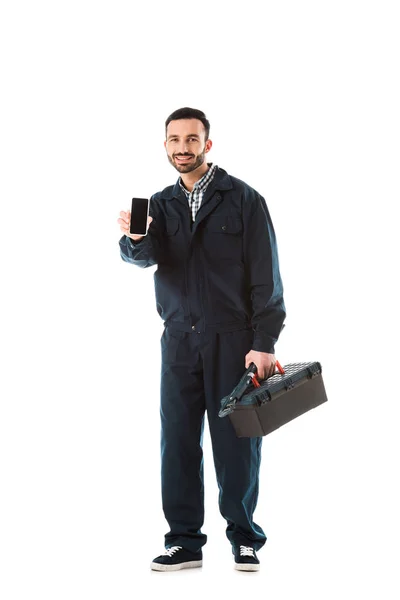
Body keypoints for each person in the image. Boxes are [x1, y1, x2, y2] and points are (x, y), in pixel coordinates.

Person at [118, 107, 286, 572]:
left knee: (237, 441)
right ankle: (184, 542)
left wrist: (264, 341)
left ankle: (245, 538)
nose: (182, 148)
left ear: (207, 144)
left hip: (233, 341)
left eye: (192, 140)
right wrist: (132, 238)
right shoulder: (158, 204)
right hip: (178, 342)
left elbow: (266, 279)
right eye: (174, 140)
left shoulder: (244, 200)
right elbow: (143, 257)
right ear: (165, 145)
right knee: (177, 442)